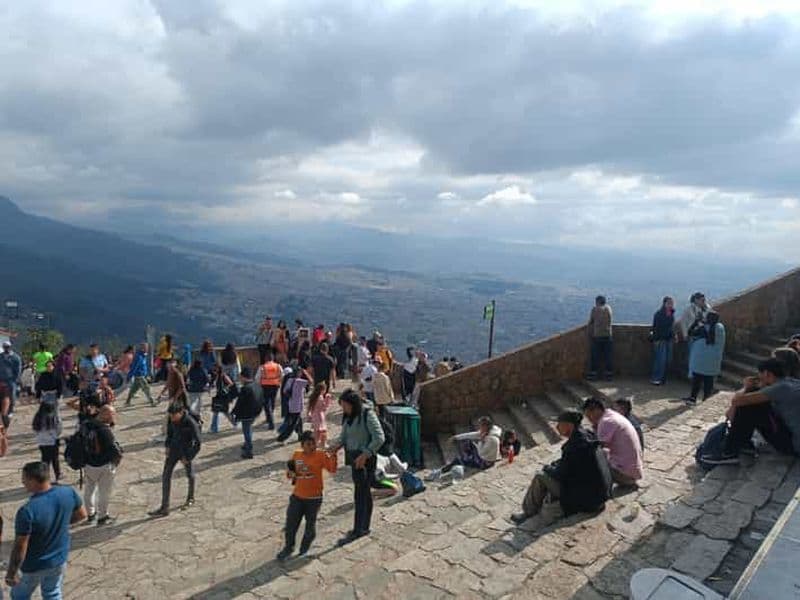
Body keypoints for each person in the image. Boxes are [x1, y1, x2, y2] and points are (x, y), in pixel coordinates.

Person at [511, 410, 612, 524]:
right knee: (552, 470)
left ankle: (528, 512)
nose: (557, 427)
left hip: (589, 501)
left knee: (540, 476)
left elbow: (560, 475)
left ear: (569, 425)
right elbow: (572, 463)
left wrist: (547, 468)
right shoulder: (587, 435)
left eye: (559, 424)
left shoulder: (573, 446)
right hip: (601, 495)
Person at [5, 462, 87, 599]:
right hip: (58, 559)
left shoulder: (27, 511)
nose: (22, 482)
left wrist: (12, 573)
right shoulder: (68, 492)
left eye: (24, 478)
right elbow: (82, 515)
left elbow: (20, 546)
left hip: (34, 565)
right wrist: (59, 525)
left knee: (19, 595)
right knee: (52, 593)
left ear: (32, 480)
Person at [703, 358, 800, 465]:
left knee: (748, 406)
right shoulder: (792, 382)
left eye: (760, 374)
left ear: (767, 373)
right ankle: (743, 443)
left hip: (793, 445)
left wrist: (746, 387)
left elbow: (737, 401)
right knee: (753, 401)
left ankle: (729, 452)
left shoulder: (779, 388)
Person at [329, 389, 385, 546]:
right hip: (354, 458)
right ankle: (362, 527)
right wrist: (337, 445)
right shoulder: (349, 416)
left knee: (361, 494)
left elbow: (379, 437)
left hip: (365, 459)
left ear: (353, 404)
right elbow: (345, 435)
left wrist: (366, 454)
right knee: (363, 492)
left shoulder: (367, 414)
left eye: (345, 405)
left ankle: (359, 528)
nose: (343, 409)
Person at [277, 431, 337, 560]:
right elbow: (290, 472)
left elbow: (332, 469)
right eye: (309, 444)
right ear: (302, 445)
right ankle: (288, 547)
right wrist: (290, 474)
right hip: (297, 497)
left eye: (313, 443)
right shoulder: (297, 454)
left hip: (314, 499)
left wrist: (333, 456)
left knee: (310, 525)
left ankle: (304, 548)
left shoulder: (320, 455)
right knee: (291, 524)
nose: (312, 446)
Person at [148, 404, 201, 517]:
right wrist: (167, 446)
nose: (172, 418)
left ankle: (190, 497)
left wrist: (188, 457)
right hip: (173, 451)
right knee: (165, 476)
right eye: (170, 416)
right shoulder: (171, 419)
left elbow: (198, 442)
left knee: (190, 474)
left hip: (185, 452)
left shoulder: (190, 422)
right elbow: (170, 434)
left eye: (174, 416)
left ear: (181, 412)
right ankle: (164, 507)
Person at [583, 397, 643, 487]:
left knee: (587, 461)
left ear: (596, 411)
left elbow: (598, 449)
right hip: (633, 470)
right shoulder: (611, 414)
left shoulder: (606, 422)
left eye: (589, 415)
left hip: (626, 475)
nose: (589, 419)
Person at [427, 416, 501, 480]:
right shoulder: (486, 432)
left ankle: (440, 472)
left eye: (481, 426)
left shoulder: (492, 439)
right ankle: (467, 459)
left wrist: (481, 441)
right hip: (482, 455)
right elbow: (472, 435)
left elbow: (481, 453)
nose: (479, 428)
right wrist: (456, 437)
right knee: (467, 442)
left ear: (485, 427)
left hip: (485, 462)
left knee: (458, 459)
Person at [83, 405, 122, 526]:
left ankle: (90, 514)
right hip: (103, 466)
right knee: (104, 492)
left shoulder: (86, 425)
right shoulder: (104, 430)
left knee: (89, 489)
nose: (113, 418)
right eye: (111, 415)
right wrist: (115, 464)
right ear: (105, 414)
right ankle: (102, 516)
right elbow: (115, 451)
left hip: (88, 464)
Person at [684, 311, 726, 405]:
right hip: (713, 362)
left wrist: (696, 322)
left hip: (700, 361)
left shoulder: (705, 328)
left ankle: (693, 398)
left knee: (697, 381)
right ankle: (706, 400)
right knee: (709, 382)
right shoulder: (720, 328)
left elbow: (691, 332)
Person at [231, 367, 260, 459]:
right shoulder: (257, 385)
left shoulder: (245, 388)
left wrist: (233, 412)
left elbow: (239, 403)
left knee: (246, 431)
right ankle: (246, 444)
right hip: (255, 412)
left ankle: (249, 451)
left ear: (243, 377)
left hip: (246, 414)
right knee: (249, 429)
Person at [276, 367, 309, 443]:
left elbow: (284, 391)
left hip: (291, 404)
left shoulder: (290, 380)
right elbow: (311, 382)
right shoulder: (300, 381)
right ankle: (282, 438)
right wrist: (306, 373)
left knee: (298, 420)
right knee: (293, 423)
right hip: (297, 405)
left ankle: (300, 435)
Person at [32, 402, 62, 482]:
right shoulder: (54, 416)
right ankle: (58, 476)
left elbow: (34, 429)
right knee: (55, 459)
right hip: (53, 441)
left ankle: (45, 477)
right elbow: (59, 429)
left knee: (45, 460)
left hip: (42, 442)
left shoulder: (37, 417)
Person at [650, 296, 675, 385]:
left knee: (668, 360)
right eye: (669, 303)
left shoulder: (671, 314)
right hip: (660, 339)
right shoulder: (659, 314)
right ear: (664, 304)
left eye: (672, 303)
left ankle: (663, 378)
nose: (671, 305)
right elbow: (656, 327)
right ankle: (656, 378)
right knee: (660, 360)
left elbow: (671, 327)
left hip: (668, 339)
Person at [587, 295, 613, 380]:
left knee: (595, 356)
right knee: (607, 356)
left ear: (597, 302)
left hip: (597, 336)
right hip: (608, 335)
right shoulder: (608, 308)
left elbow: (591, 321)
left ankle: (593, 374)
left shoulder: (595, 309)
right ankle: (608, 374)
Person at [257, 350, 283, 430]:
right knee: (272, 402)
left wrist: (258, 385)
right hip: (275, 386)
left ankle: (270, 421)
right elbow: (282, 375)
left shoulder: (262, 367)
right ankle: (270, 417)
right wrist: (279, 382)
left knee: (266, 404)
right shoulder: (278, 366)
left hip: (265, 386)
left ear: (266, 359)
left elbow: (257, 378)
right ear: (273, 358)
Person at [210, 366, 236, 433]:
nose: (214, 371)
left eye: (215, 369)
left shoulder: (223, 376)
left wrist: (225, 389)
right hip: (218, 396)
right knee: (216, 412)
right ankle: (214, 428)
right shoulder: (216, 376)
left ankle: (235, 423)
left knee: (225, 412)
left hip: (223, 397)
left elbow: (231, 383)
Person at [307, 383, 334, 447]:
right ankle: (321, 443)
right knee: (321, 430)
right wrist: (328, 399)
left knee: (317, 430)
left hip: (315, 415)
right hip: (319, 416)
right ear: (322, 390)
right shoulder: (320, 397)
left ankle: (316, 443)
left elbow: (310, 407)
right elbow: (323, 408)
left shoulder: (314, 396)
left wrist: (308, 415)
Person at [0, 341, 21, 416]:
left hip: (11, 380)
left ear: (10, 347)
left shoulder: (16, 357)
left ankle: (11, 410)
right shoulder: (0, 356)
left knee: (11, 395)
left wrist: (15, 380)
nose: (6, 348)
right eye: (5, 347)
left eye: (8, 347)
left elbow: (18, 370)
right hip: (1, 379)